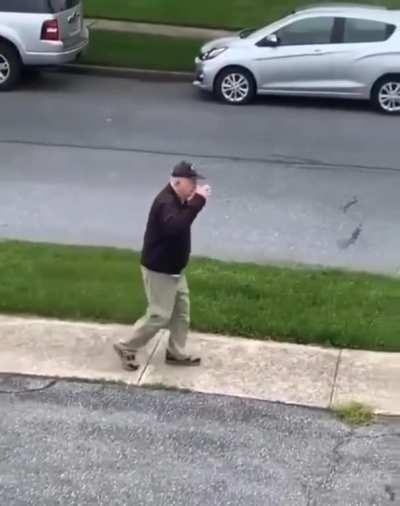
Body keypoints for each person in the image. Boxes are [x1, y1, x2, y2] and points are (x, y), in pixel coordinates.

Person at [113, 161, 211, 371]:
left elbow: (181, 222)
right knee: (159, 315)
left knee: (181, 312)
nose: (194, 185)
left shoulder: (180, 199)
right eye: (190, 181)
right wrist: (198, 202)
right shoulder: (166, 202)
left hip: (175, 269)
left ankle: (176, 352)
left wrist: (192, 202)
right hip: (160, 270)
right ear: (177, 181)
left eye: (195, 181)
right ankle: (127, 346)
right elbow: (175, 227)